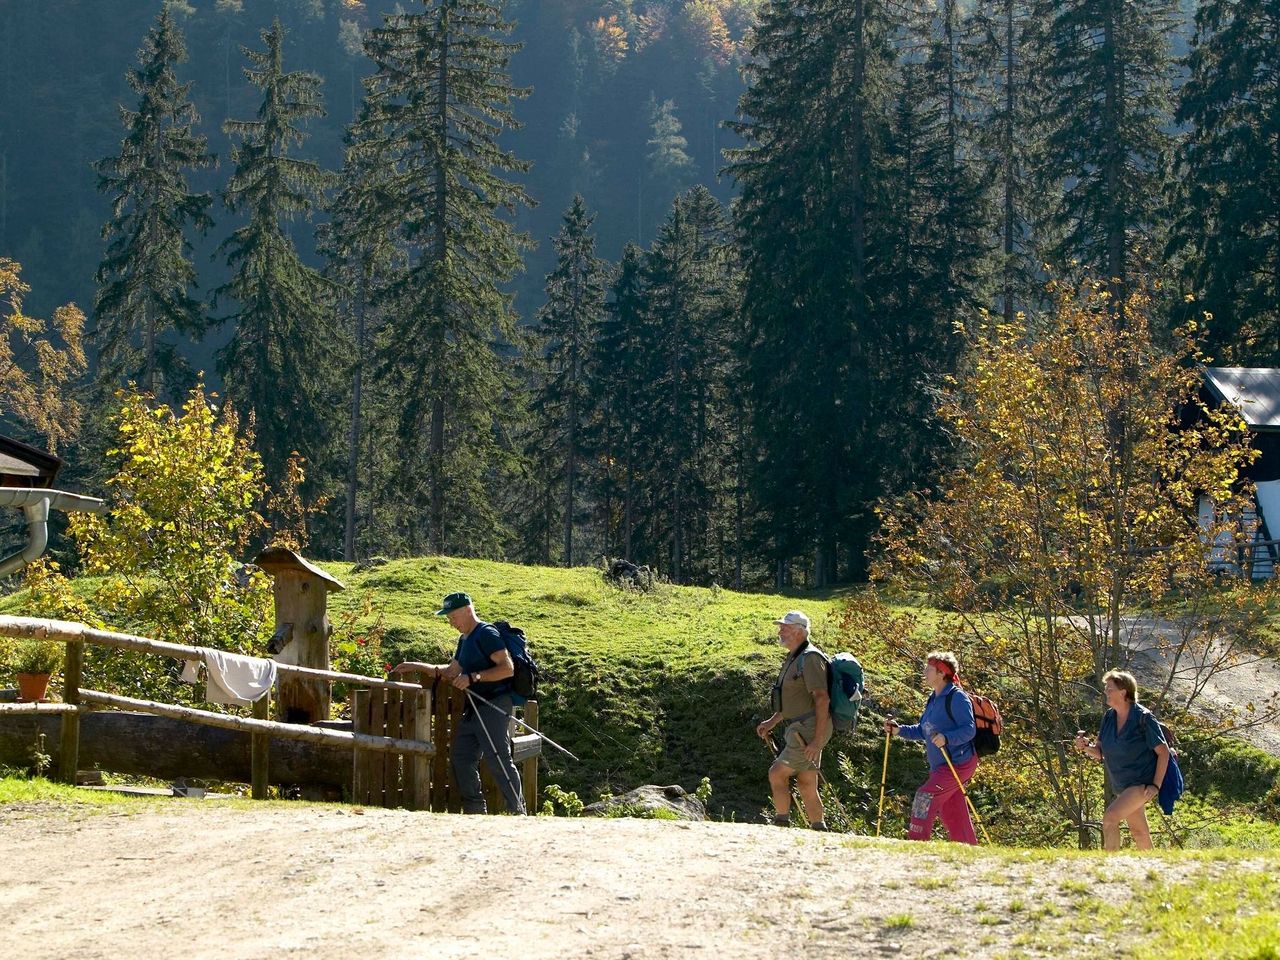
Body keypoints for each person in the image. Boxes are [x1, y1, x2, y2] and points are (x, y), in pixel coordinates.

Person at [391, 592, 526, 815]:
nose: (451, 622)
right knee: (461, 758)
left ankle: (519, 812)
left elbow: (507, 668)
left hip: (493, 705)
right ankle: (476, 812)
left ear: (467, 610)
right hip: (474, 709)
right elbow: (452, 671)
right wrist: (417, 666)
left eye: (452, 616)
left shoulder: (486, 633)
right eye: (448, 618)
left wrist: (474, 677)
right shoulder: (464, 639)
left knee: (498, 759)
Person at [884, 651, 978, 845]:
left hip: (957, 763)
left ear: (941, 673)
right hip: (941, 765)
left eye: (929, 669)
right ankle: (967, 848)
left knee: (924, 796)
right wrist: (898, 730)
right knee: (951, 809)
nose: (924, 672)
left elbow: (969, 730)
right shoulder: (933, 698)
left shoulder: (957, 697)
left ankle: (916, 843)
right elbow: (923, 730)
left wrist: (947, 738)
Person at [1073, 669, 1170, 850]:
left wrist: (1155, 786)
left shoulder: (1143, 717)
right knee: (1139, 833)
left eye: (1109, 689)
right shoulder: (1109, 717)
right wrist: (1086, 746)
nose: (1105, 692)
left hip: (1140, 783)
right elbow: (1101, 752)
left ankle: (1110, 867)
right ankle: (1154, 868)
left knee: (1110, 818)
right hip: (1122, 785)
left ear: (1123, 692)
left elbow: (1163, 752)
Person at [755, 610, 832, 830]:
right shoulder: (795, 658)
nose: (780, 631)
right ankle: (819, 828)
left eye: (785, 627)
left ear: (799, 632)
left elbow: (821, 698)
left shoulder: (810, 658)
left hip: (809, 729)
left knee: (777, 773)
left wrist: (816, 741)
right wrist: (772, 721)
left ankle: (782, 824)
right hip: (803, 727)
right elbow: (793, 698)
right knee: (807, 783)